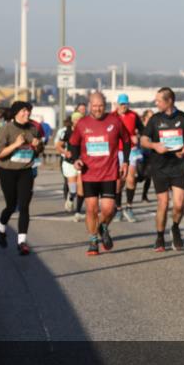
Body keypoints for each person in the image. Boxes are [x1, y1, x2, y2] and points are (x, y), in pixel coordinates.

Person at [68, 92, 132, 256]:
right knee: (91, 209)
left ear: (105, 105)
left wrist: (125, 161)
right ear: (90, 105)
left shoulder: (114, 121)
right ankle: (93, 241)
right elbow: (73, 144)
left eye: (101, 106)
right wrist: (76, 159)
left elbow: (126, 140)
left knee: (109, 209)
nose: (97, 109)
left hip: (109, 172)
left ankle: (103, 226)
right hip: (89, 174)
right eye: (95, 106)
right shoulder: (82, 123)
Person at [141, 88, 184, 252]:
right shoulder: (155, 120)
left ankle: (175, 227)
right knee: (163, 204)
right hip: (160, 167)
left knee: (178, 205)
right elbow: (143, 140)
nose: (156, 103)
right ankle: (159, 237)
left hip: (179, 166)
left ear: (169, 100)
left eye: (159, 100)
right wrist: (154, 145)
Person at [0, 101, 45, 256]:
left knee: (24, 205)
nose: (27, 113)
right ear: (16, 113)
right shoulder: (6, 129)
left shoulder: (33, 129)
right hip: (8, 171)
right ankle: (1, 227)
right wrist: (15, 145)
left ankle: (22, 242)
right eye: (24, 111)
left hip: (25, 171)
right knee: (11, 205)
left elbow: (38, 150)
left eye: (28, 111)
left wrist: (38, 144)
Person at [113, 94, 142, 223]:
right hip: (116, 151)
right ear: (117, 104)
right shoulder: (112, 116)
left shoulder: (134, 115)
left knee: (131, 179)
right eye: (121, 104)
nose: (124, 106)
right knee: (119, 182)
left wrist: (138, 136)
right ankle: (118, 209)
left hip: (131, 150)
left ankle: (129, 207)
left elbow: (144, 130)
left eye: (125, 104)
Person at [56, 112, 85, 214]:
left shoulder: (86, 131)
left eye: (80, 119)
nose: (78, 121)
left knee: (81, 188)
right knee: (73, 190)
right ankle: (71, 198)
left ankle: (78, 211)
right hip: (69, 162)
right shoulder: (67, 132)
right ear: (72, 121)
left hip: (82, 163)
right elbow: (58, 145)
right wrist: (65, 152)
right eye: (76, 119)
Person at [138, 109, 154, 202]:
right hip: (140, 154)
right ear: (144, 118)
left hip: (150, 154)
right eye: (149, 117)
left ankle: (144, 195)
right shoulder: (140, 127)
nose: (152, 119)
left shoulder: (153, 127)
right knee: (139, 177)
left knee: (149, 176)